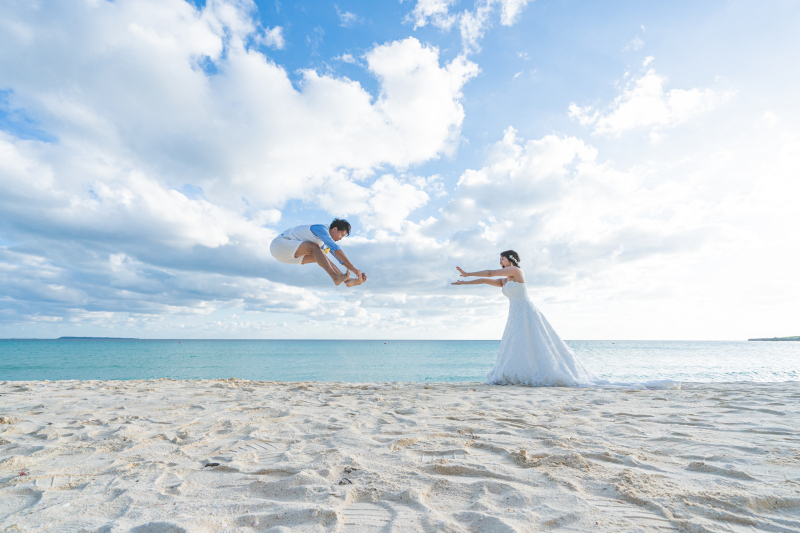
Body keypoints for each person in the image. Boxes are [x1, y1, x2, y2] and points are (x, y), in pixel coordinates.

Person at [452, 250, 596, 386]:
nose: (500, 261)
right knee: (517, 343)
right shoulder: (505, 281)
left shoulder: (516, 271)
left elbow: (490, 273)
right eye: (500, 259)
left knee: (532, 341)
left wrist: (467, 273)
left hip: (525, 311)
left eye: (502, 258)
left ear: (511, 260)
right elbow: (485, 280)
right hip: (514, 314)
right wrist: (465, 282)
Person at [270, 219, 367, 287]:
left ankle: (347, 281)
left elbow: (339, 258)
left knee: (322, 257)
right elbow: (337, 249)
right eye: (341, 234)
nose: (341, 238)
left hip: (287, 257)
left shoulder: (325, 243)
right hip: (279, 245)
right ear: (334, 229)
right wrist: (355, 269)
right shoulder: (321, 229)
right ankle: (335, 277)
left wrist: (356, 273)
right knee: (315, 248)